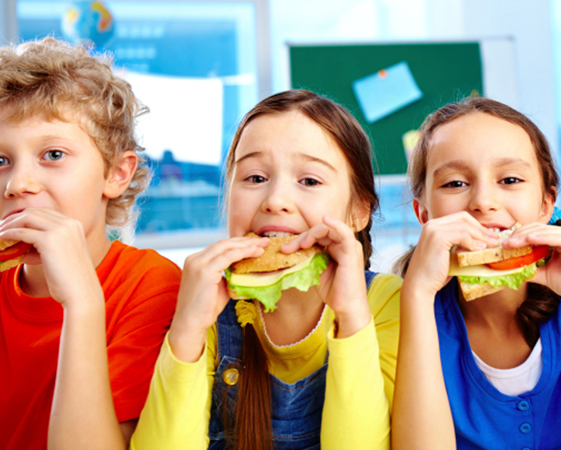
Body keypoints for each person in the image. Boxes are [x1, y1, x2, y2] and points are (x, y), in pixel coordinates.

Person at [130, 89, 402, 450]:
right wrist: (187, 329)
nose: (275, 201)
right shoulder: (205, 310)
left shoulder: (387, 304)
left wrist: (352, 317)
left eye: (309, 181)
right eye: (255, 178)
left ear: (359, 212)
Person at [0, 38, 181, 449]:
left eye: (54, 154)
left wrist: (82, 303)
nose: (18, 184)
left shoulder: (150, 286)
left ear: (116, 173)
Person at [391, 97, 561, 449]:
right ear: (424, 215)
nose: (483, 201)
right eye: (455, 184)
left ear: (546, 205)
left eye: (510, 179)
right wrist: (418, 296)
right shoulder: (397, 315)